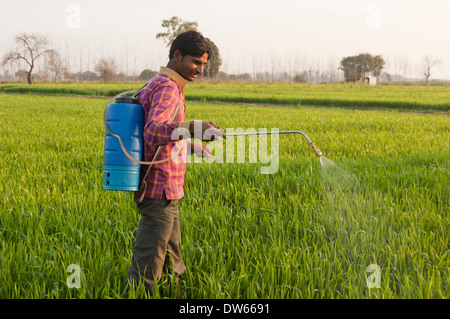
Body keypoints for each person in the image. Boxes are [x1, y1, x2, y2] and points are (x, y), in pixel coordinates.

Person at [125, 30, 226, 296]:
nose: (200, 70)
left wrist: (192, 145)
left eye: (204, 64)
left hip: (169, 190)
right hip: (158, 190)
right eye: (196, 62)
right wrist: (193, 127)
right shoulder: (168, 88)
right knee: (148, 266)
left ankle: (175, 295)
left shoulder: (162, 83)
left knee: (172, 255)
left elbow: (167, 132)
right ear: (177, 56)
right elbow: (153, 131)